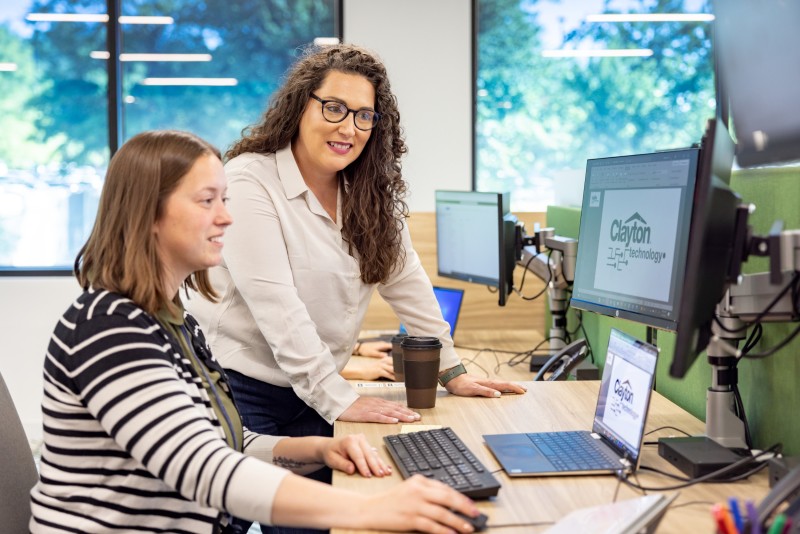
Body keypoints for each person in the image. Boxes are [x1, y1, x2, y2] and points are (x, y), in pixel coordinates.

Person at [28, 130, 484, 534]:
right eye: (208, 201)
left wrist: (322, 450)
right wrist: (367, 510)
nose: (227, 218)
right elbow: (202, 467)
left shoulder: (177, 325)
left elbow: (225, 444)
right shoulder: (110, 331)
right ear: (148, 213)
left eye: (224, 201)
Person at [186, 44, 526, 531]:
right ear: (299, 105)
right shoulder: (249, 181)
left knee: (319, 525)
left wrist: (453, 371)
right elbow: (279, 309)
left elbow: (407, 282)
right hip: (245, 390)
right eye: (334, 108)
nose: (349, 127)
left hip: (315, 389)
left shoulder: (366, 192)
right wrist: (342, 401)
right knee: (223, 521)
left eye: (365, 115)